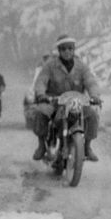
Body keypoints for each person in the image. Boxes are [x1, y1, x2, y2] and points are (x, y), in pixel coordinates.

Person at [30, 34, 102, 162]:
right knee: (40, 112)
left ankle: (87, 147)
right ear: (59, 51)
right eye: (63, 49)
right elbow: (41, 81)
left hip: (77, 102)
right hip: (55, 102)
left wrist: (95, 96)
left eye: (70, 48)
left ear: (74, 49)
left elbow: (91, 82)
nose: (67, 51)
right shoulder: (50, 65)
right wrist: (41, 95)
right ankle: (41, 146)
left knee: (92, 114)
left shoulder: (81, 66)